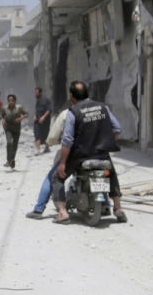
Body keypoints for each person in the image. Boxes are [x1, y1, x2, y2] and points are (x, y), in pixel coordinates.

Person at [51, 81, 127, 224]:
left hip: (80, 155)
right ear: (87, 93)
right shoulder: (103, 107)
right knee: (111, 173)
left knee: (57, 178)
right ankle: (118, 207)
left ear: (72, 97)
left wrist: (62, 163)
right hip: (101, 153)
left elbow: (67, 140)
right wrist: (105, 142)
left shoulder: (73, 112)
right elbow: (117, 129)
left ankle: (62, 212)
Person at [25, 103, 71, 219]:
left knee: (52, 177)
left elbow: (52, 138)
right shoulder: (101, 110)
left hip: (75, 154)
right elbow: (116, 129)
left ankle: (39, 209)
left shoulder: (67, 114)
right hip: (98, 154)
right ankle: (108, 204)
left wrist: (53, 142)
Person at [1, 94, 28, 169]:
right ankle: (9, 160)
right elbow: (1, 116)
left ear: (15, 101)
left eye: (12, 100)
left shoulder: (19, 107)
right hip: (8, 128)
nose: (11, 102)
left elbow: (26, 114)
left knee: (15, 145)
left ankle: (12, 159)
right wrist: (3, 121)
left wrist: (20, 119)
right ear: (7, 101)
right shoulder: (4, 108)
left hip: (16, 129)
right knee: (9, 143)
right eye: (9, 101)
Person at [33, 87, 53, 155]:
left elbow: (49, 110)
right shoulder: (37, 102)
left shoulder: (46, 100)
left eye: (36, 93)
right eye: (35, 93)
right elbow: (37, 111)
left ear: (40, 93)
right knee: (37, 134)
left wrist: (43, 117)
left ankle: (47, 147)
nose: (35, 95)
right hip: (37, 121)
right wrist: (35, 116)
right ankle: (38, 150)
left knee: (45, 134)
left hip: (45, 121)